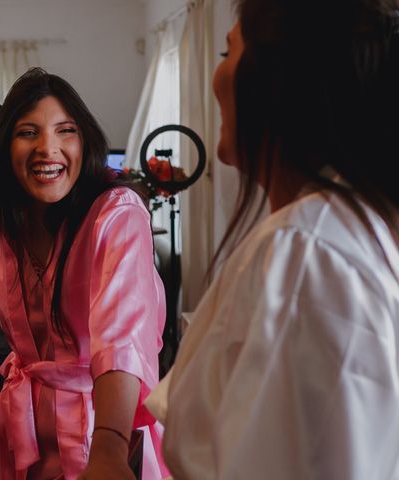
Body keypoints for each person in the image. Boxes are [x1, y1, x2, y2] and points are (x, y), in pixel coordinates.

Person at [152, 1, 399, 478]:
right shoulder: (328, 236)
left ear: (278, 87)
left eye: (227, 53)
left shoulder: (305, 258)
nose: (216, 76)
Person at [0, 67, 168, 480]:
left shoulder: (116, 214)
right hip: (19, 435)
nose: (49, 148)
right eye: (28, 132)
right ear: (6, 145)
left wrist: (110, 449)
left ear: (85, 139)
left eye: (65, 131)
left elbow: (122, 340)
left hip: (97, 438)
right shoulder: (7, 224)